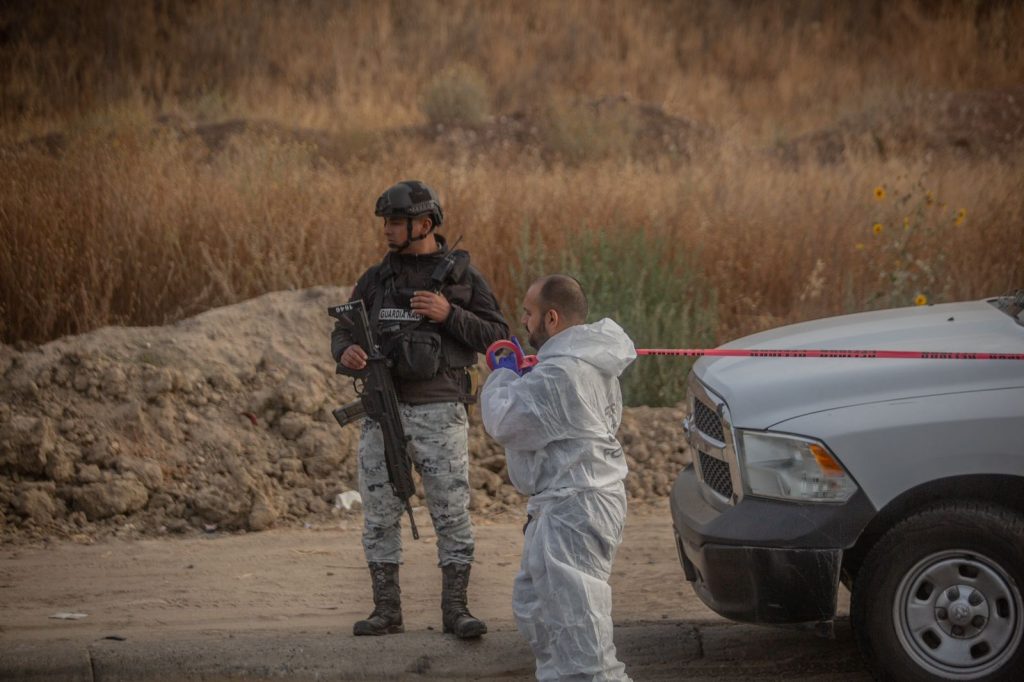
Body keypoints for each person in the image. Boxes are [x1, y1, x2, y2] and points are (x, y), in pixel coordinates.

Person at [332, 180, 510, 638]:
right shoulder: (376, 279)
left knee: (451, 512)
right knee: (379, 513)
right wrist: (346, 352)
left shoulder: (463, 280)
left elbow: (499, 340)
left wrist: (448, 314)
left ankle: (457, 611)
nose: (387, 230)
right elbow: (344, 329)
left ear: (424, 224)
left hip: (440, 412)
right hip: (381, 413)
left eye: (395, 221)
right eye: (386, 222)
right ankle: (386, 611)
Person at [480, 274, 636, 681]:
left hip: (575, 508)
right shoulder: (588, 364)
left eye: (529, 314)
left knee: (581, 634)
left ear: (551, 318)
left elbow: (507, 421)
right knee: (542, 610)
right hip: (570, 502)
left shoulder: (565, 373)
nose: (524, 322)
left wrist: (503, 376)